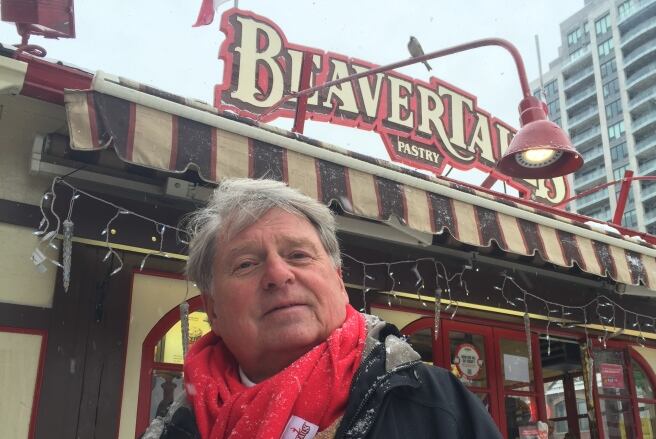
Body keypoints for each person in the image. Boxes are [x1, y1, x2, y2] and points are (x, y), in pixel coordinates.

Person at [142, 178, 502, 439]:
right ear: (213, 310)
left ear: (338, 281)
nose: (278, 274)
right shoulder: (174, 431)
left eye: (298, 255)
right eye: (247, 264)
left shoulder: (436, 403)